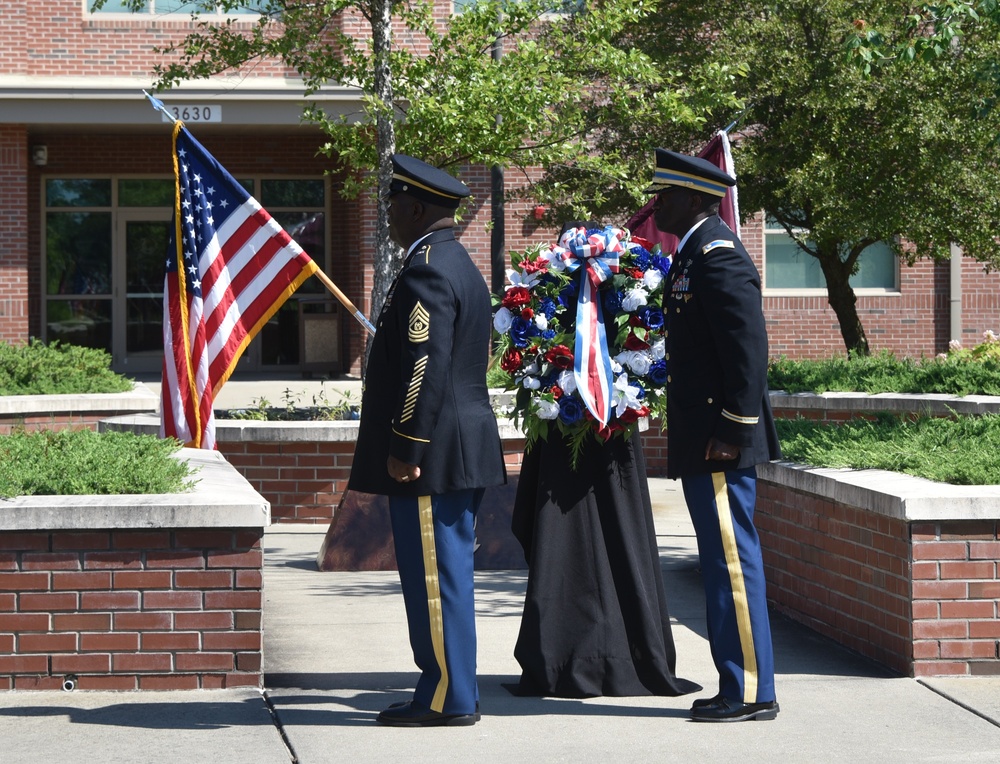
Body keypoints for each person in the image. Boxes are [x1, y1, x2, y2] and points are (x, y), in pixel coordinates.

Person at [510, 222, 701, 700]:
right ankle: (566, 652)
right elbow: (531, 332)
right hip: (565, 427)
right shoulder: (552, 283)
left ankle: (597, 654)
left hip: (612, 425)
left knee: (619, 537)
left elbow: (658, 333)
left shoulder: (628, 278)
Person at [349, 153, 506, 727]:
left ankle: (447, 696)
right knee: (447, 576)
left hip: (432, 452)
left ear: (415, 208)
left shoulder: (427, 269)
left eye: (393, 205)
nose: (388, 215)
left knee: (436, 581)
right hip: (454, 445)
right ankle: (451, 688)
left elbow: (425, 364)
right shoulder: (456, 261)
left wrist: (406, 445)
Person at [646, 148, 782, 722]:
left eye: (666, 197)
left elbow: (747, 351)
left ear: (696, 198)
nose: (657, 207)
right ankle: (741, 681)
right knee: (720, 562)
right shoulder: (692, 254)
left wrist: (734, 427)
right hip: (706, 437)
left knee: (732, 562)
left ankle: (751, 690)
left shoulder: (717, 253)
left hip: (720, 439)